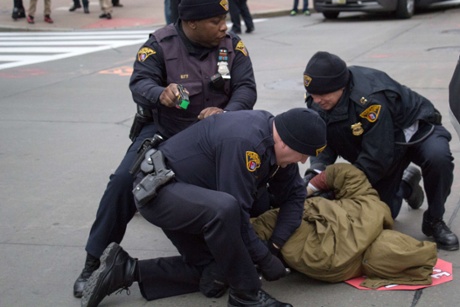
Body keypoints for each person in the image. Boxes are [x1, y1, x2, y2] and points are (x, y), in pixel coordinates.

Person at [73, 0, 257, 299]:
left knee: (241, 187)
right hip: (168, 130)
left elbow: (246, 88)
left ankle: (226, 254)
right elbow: (139, 82)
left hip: (214, 135)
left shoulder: (232, 46)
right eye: (215, 21)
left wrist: (227, 112)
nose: (223, 26)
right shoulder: (160, 45)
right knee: (122, 182)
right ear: (191, 22)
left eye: (224, 19)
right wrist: (161, 93)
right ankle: (94, 262)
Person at [80, 108, 328, 307]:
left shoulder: (275, 144)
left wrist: (274, 245)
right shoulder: (245, 142)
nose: (303, 161)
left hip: (196, 200)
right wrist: (263, 259)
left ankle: (126, 270)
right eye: (302, 155)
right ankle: (247, 296)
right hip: (161, 195)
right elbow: (235, 213)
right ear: (286, 143)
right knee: (226, 209)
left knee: (218, 270)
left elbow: (295, 195)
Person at [303, 51, 459, 251]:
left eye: (322, 95)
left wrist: (342, 187)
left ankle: (435, 220)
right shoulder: (318, 99)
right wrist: (315, 173)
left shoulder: (369, 100)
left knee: (439, 158)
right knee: (384, 213)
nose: (317, 100)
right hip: (384, 144)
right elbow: (322, 140)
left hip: (415, 132)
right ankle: (406, 185)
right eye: (313, 95)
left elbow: (376, 158)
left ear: (340, 86)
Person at [252, 163, 437, 287]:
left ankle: (405, 184)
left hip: (293, 211)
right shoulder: (338, 265)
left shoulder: (373, 208)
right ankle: (406, 185)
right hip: (299, 214)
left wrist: (308, 190)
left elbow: (346, 173)